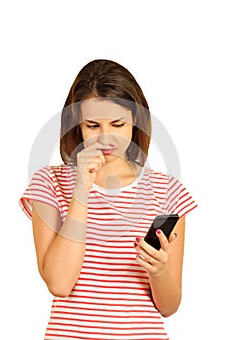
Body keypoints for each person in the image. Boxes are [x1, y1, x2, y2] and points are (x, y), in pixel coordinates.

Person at [19, 59, 197, 340]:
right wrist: (81, 189)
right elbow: (59, 283)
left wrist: (159, 270)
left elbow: (169, 307)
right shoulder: (49, 183)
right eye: (92, 126)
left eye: (117, 123)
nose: (106, 138)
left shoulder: (167, 191)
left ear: (135, 120)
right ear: (77, 125)